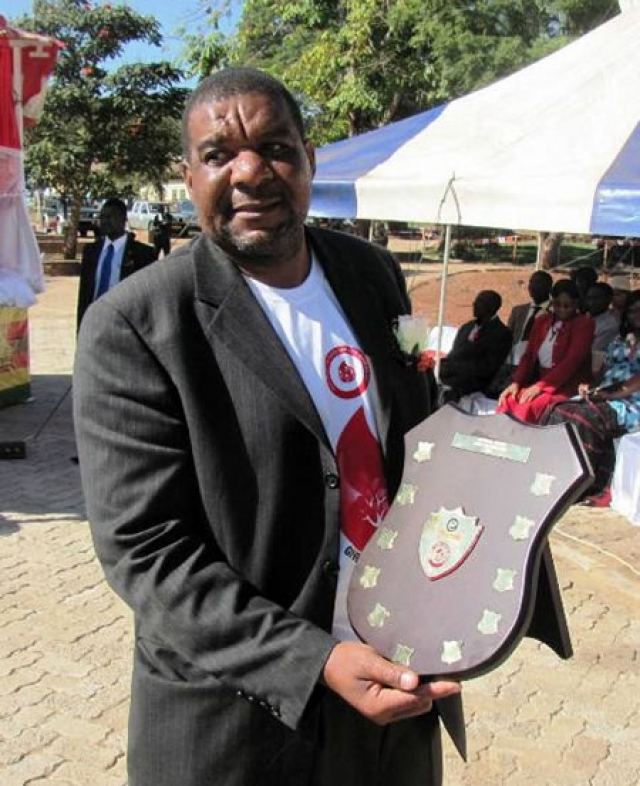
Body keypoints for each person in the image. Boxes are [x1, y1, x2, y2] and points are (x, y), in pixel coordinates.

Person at [74, 67, 569, 786]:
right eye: (219, 155)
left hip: (398, 696)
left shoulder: (371, 275)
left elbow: (416, 452)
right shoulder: (138, 326)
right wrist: (316, 660)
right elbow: (145, 550)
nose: (251, 172)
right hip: (242, 722)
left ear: (309, 158)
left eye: (275, 146)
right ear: (188, 176)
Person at [543, 290, 640, 506]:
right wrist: (591, 386)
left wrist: (609, 395)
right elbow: (604, 370)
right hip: (607, 393)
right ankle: (562, 475)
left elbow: (636, 381)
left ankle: (594, 483)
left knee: (587, 417)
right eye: (632, 310)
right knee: (560, 409)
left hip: (631, 400)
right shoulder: (620, 339)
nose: (636, 314)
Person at [497, 278, 594, 423]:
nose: (562, 309)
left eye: (567, 306)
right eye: (557, 305)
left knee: (528, 407)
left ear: (576, 304)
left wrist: (541, 386)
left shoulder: (584, 324)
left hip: (566, 385)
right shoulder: (542, 321)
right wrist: (516, 382)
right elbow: (529, 356)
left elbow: (572, 360)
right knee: (508, 400)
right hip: (542, 381)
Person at [76, 197, 157, 330]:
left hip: (126, 327)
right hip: (94, 324)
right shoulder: (91, 251)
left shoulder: (144, 254)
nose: (104, 221)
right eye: (102, 217)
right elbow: (84, 296)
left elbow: (149, 301)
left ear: (123, 220)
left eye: (110, 217)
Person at [438, 289, 512, 403]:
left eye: (480, 302)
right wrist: (444, 364)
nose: (474, 305)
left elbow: (487, 367)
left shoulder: (501, 333)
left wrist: (456, 367)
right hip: (452, 374)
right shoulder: (467, 327)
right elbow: (454, 353)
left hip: (475, 382)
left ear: (492, 307)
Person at [487, 270, 552, 397]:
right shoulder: (518, 310)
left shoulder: (555, 312)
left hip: (537, 361)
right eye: (531, 283)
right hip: (512, 360)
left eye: (538, 283)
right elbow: (507, 337)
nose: (532, 286)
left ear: (549, 287)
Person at [585, 282, 619, 352]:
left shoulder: (610, 326)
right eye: (589, 298)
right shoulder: (586, 319)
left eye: (596, 298)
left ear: (608, 299)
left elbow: (592, 351)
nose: (591, 302)